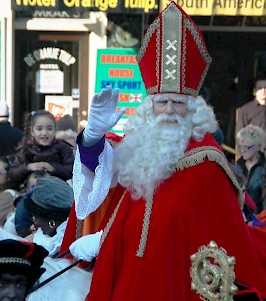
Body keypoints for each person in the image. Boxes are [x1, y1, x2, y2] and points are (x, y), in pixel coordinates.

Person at [67, 2, 266, 300]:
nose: (170, 110)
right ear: (150, 108)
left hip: (181, 278)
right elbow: (101, 173)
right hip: (127, 269)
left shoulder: (208, 159)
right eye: (162, 101)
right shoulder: (138, 145)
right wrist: (92, 138)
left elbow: (220, 230)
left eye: (178, 102)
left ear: (193, 109)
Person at [9, 110, 74, 185]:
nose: (44, 133)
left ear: (55, 130)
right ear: (32, 131)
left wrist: (53, 168)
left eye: (49, 129)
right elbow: (13, 173)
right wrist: (28, 167)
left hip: (57, 191)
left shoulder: (63, 147)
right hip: (30, 191)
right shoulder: (26, 148)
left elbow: (73, 171)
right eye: (39, 129)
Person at [22, 176, 74, 257]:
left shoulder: (72, 245)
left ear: (51, 220)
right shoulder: (36, 239)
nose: (34, 223)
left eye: (36, 216)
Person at [234, 124, 266, 221]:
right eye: (240, 147)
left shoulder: (264, 168)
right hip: (238, 220)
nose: (242, 150)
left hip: (259, 222)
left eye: (246, 147)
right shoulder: (236, 167)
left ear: (258, 147)